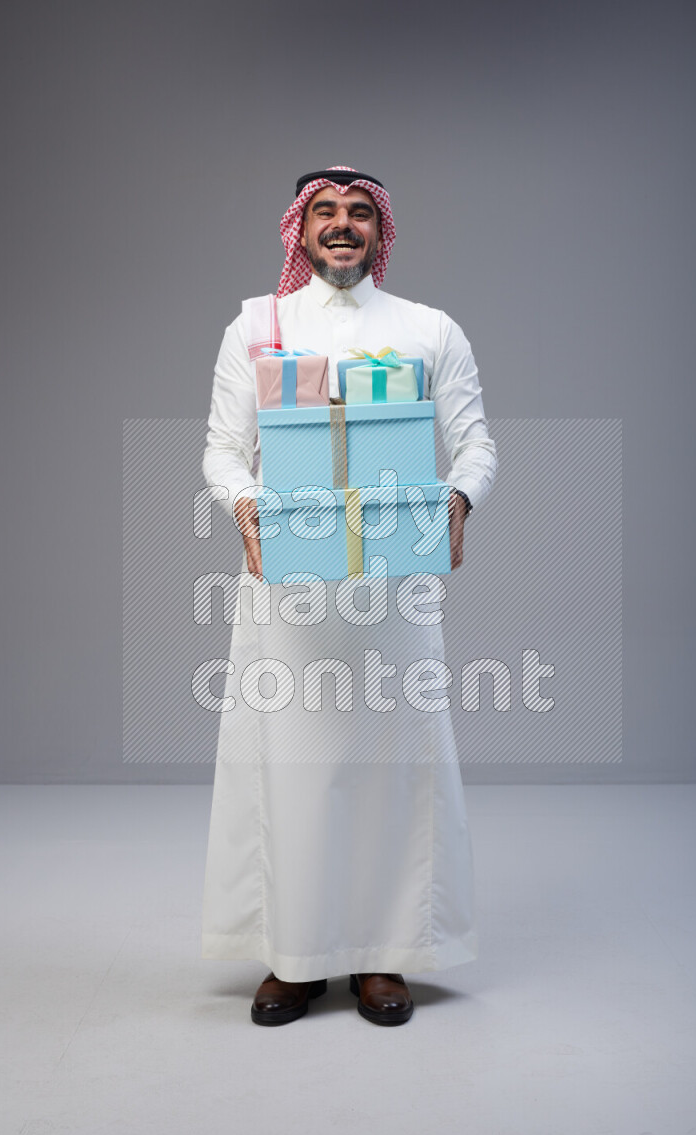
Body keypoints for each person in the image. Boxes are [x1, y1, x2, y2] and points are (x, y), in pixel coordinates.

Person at [201, 165, 497, 1026]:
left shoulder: (426, 329)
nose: (341, 225)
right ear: (298, 229)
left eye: (359, 213)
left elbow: (475, 441)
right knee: (293, 772)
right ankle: (296, 959)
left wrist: (458, 499)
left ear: (381, 231)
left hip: (392, 595)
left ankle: (382, 957)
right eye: (324, 212)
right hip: (286, 601)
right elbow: (223, 449)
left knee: (390, 770)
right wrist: (248, 509)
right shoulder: (257, 325)